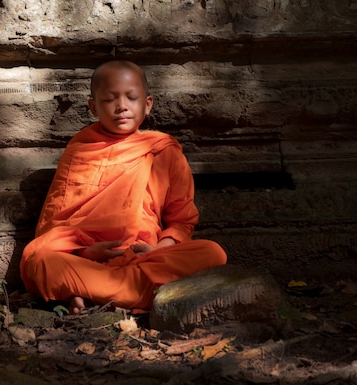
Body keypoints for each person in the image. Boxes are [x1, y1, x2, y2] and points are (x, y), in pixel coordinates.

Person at [20, 60, 227, 315]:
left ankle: (89, 292)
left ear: (147, 104)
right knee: (41, 261)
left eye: (131, 98)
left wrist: (159, 249)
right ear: (93, 107)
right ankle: (141, 294)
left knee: (213, 252)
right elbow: (56, 222)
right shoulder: (79, 150)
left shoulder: (164, 151)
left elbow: (182, 220)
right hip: (87, 259)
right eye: (109, 100)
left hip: (143, 257)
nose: (122, 107)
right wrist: (86, 251)